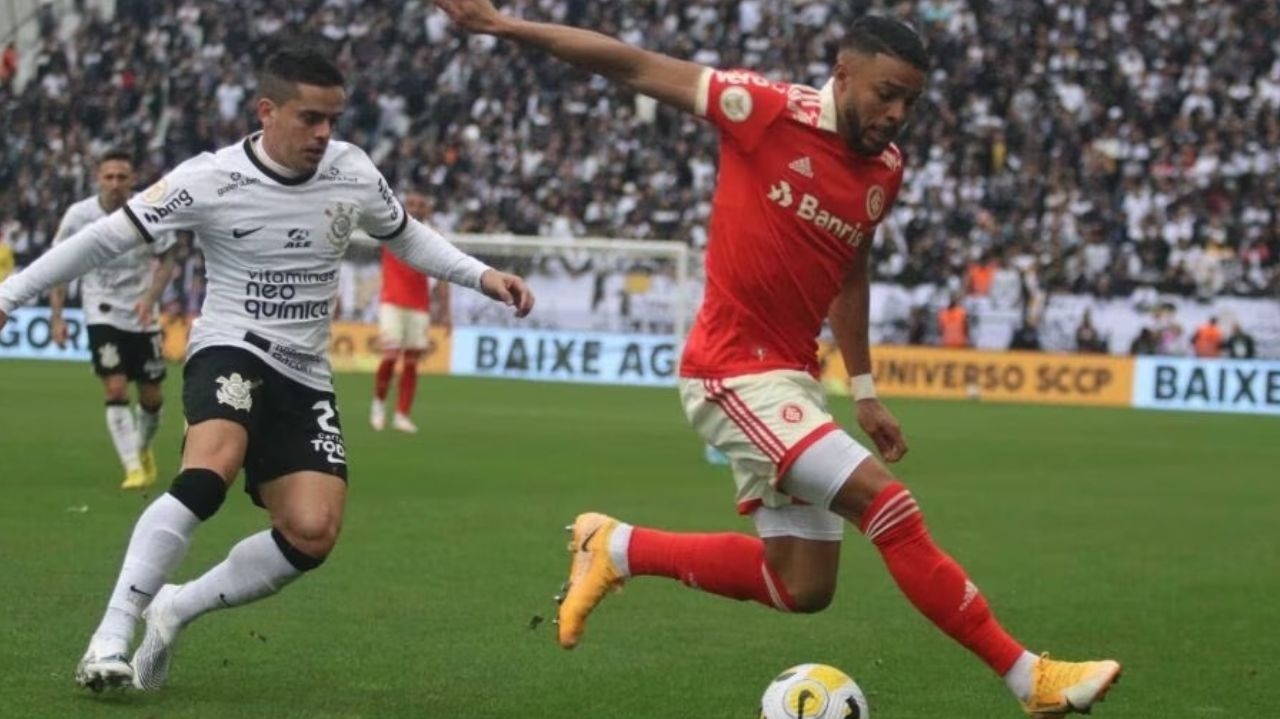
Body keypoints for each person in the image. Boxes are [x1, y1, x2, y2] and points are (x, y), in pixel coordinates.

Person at [435, 3, 1119, 716]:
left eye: (911, 102)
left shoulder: (886, 169)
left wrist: (865, 387)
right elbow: (635, 64)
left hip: (792, 379)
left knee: (803, 585)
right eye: (886, 93)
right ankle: (1026, 676)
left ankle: (618, 546)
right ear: (843, 73)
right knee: (887, 504)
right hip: (731, 372)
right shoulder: (762, 109)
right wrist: (507, 27)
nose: (897, 113)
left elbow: (850, 267)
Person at [0, 42, 534, 693]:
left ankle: (177, 605)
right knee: (210, 469)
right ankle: (110, 634)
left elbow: (404, 235)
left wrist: (483, 275)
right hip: (232, 345)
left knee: (312, 532)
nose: (324, 133)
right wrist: (11, 293)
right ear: (266, 111)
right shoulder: (210, 177)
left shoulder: (353, 171)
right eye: (310, 118)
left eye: (333, 119)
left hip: (305, 369)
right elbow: (107, 236)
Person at [48, 150, 179, 489]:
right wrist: (57, 317)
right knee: (116, 386)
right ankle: (132, 467)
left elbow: (168, 258)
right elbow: (58, 265)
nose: (115, 184)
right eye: (109, 177)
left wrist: (151, 297)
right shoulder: (80, 216)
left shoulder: (149, 210)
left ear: (132, 179)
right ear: (98, 179)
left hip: (141, 312)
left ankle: (142, 448)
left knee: (152, 396)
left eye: (122, 177)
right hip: (100, 310)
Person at [370, 190, 451, 433]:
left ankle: (402, 414)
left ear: (427, 210)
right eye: (411, 204)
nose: (415, 208)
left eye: (420, 204)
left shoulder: (433, 237)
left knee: (412, 361)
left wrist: (446, 312)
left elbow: (444, 273)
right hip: (392, 302)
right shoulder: (391, 228)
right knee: (391, 355)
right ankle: (378, 405)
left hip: (419, 305)